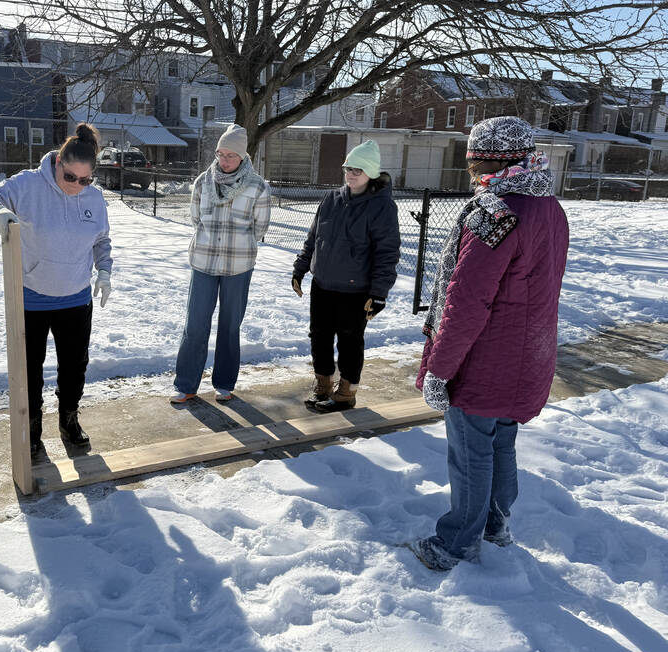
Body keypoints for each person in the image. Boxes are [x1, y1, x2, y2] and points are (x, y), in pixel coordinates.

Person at [411, 116, 569, 571]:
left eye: (473, 161)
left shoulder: (494, 213)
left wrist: (441, 368)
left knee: (471, 454)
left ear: (493, 160)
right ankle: (496, 525)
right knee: (501, 443)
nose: (471, 171)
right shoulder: (550, 208)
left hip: (484, 359)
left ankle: (455, 543)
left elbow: (467, 299)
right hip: (528, 355)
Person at [0, 123, 112, 463]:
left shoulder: (94, 197)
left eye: (85, 180)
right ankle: (32, 428)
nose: (77, 186)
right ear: (58, 163)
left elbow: (101, 239)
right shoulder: (28, 185)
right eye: (70, 178)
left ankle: (68, 420)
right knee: (30, 368)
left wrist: (104, 270)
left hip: (76, 297)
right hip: (31, 296)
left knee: (74, 366)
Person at [292, 139, 400, 411]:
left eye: (358, 170)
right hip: (323, 284)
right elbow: (314, 238)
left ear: (371, 173)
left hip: (356, 290)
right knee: (319, 335)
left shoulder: (381, 206)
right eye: (348, 168)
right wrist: (301, 268)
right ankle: (323, 385)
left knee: (350, 340)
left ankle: (346, 393)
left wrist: (378, 293)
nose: (351, 174)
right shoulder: (331, 199)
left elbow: (387, 252)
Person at [170, 123, 271, 404]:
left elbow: (260, 227)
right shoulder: (204, 181)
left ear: (242, 157)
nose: (224, 160)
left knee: (230, 325)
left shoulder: (257, 186)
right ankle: (186, 384)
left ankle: (224, 383)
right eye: (221, 154)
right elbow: (195, 218)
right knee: (195, 324)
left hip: (238, 266)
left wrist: (235, 242)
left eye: (231, 155)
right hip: (203, 262)